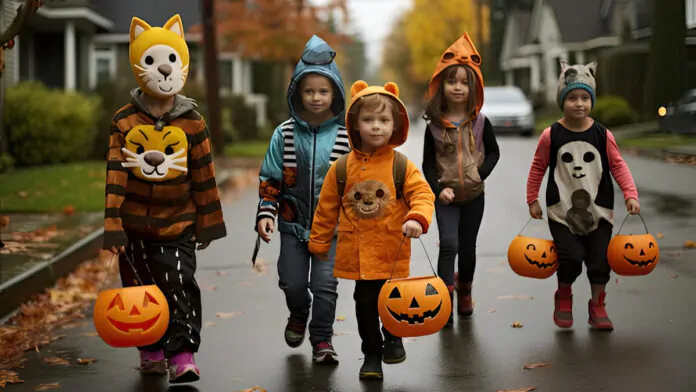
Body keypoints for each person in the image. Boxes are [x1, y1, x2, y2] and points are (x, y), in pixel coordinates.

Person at [103, 14, 226, 383]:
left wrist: (208, 221)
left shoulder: (192, 121)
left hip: (178, 221)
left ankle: (183, 353)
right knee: (140, 289)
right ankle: (152, 350)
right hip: (135, 224)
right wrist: (112, 225)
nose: (164, 69)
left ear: (183, 63)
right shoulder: (124, 120)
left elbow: (204, 174)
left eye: (171, 59)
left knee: (179, 282)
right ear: (138, 65)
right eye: (154, 60)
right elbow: (115, 174)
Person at [309, 80, 435, 380]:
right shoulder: (341, 169)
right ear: (355, 124)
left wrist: (417, 218)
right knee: (365, 305)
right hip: (358, 255)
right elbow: (326, 209)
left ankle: (393, 336)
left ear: (395, 125)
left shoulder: (401, 166)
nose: (376, 127)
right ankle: (371, 354)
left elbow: (423, 195)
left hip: (392, 249)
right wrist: (319, 243)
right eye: (368, 120)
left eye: (383, 120)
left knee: (393, 301)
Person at [255, 35, 350, 364]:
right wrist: (266, 212)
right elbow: (271, 178)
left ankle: (322, 339)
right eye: (308, 91)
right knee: (293, 282)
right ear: (297, 93)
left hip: (332, 228)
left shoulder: (346, 137)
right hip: (292, 225)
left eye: (323, 91)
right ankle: (298, 312)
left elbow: (358, 182)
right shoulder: (284, 134)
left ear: (335, 93)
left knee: (325, 285)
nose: (316, 97)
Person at [526, 59, 640, 331]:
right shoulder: (550, 135)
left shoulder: (602, 135)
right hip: (561, 211)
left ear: (592, 100)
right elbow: (538, 167)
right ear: (562, 100)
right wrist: (532, 198)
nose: (579, 103)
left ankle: (597, 305)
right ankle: (564, 295)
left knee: (599, 261)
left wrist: (630, 194)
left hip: (599, 213)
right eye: (572, 98)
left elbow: (618, 165)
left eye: (585, 98)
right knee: (571, 257)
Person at [421, 33, 500, 324]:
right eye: (452, 81)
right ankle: (445, 298)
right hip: (447, 198)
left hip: (474, 197)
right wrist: (438, 189)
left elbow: (493, 152)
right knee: (449, 244)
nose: (458, 87)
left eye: (464, 82)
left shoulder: (480, 123)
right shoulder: (434, 127)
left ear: (474, 87)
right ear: (442, 86)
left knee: (467, 249)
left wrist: (479, 174)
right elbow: (428, 165)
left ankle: (464, 288)